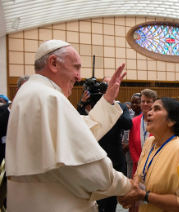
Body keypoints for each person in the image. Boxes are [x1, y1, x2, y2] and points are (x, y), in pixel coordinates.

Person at [6, 40, 134, 211]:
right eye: (76, 67)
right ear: (53, 63)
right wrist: (127, 186)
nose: (79, 77)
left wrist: (107, 100)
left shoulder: (32, 92)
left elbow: (79, 132)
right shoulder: (48, 97)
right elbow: (85, 167)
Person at [118, 97, 179, 212]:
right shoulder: (150, 142)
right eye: (150, 109)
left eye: (156, 109)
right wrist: (134, 190)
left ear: (171, 121)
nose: (149, 112)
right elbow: (139, 172)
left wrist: (144, 196)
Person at [0, 75, 29, 162]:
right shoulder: (4, 109)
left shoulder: (38, 111)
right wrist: (12, 107)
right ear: (17, 91)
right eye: (25, 89)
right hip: (7, 158)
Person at [129, 89, 157, 176]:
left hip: (155, 167)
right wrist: (138, 162)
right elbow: (131, 144)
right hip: (138, 167)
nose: (145, 104)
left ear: (155, 103)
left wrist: (149, 165)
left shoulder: (159, 122)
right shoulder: (134, 121)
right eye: (143, 101)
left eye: (148, 101)